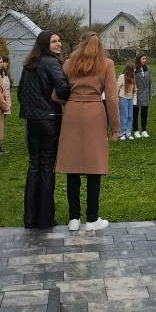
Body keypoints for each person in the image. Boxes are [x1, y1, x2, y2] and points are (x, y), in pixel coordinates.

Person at [55, 32, 119, 232]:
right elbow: (111, 98)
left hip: (72, 113)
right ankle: (92, 219)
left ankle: (74, 218)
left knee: (72, 166)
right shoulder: (106, 64)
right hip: (95, 113)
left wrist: (73, 102)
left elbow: (56, 95)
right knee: (94, 166)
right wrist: (115, 128)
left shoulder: (69, 63)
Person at [18, 30, 71, 229]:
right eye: (54, 41)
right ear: (45, 44)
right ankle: (45, 218)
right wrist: (53, 97)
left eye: (59, 41)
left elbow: (21, 92)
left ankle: (30, 218)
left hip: (32, 120)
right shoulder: (51, 63)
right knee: (47, 167)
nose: (58, 44)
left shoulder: (28, 64)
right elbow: (64, 87)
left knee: (34, 166)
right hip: (49, 119)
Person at [133, 51, 153, 138]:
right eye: (143, 59)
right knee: (135, 113)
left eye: (145, 59)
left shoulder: (148, 69)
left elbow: (150, 81)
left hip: (145, 94)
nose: (144, 60)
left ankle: (144, 130)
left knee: (145, 112)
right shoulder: (135, 70)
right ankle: (136, 130)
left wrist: (151, 92)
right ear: (139, 60)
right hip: (137, 93)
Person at [117, 61, 136, 140]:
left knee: (130, 116)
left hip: (130, 98)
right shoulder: (122, 77)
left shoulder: (133, 77)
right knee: (124, 117)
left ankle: (128, 133)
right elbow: (117, 87)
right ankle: (122, 133)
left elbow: (134, 87)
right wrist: (116, 98)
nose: (135, 70)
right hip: (123, 99)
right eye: (134, 69)